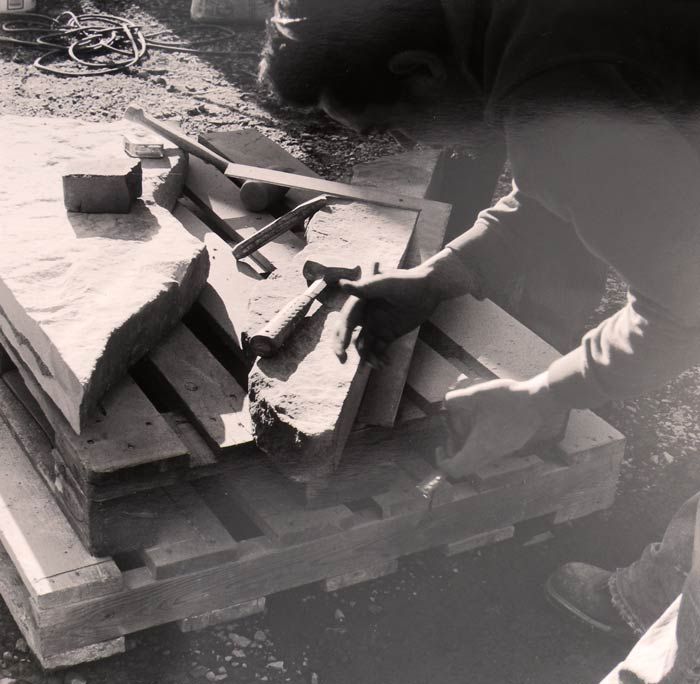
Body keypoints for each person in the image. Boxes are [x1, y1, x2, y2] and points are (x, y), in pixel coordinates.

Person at [259, 1, 700, 681]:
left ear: (420, 71)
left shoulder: (555, 72)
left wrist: (544, 395)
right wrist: (440, 275)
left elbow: (683, 312)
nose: (411, 148)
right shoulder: (520, 25)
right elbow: (565, 187)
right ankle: (669, 581)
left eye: (395, 130)